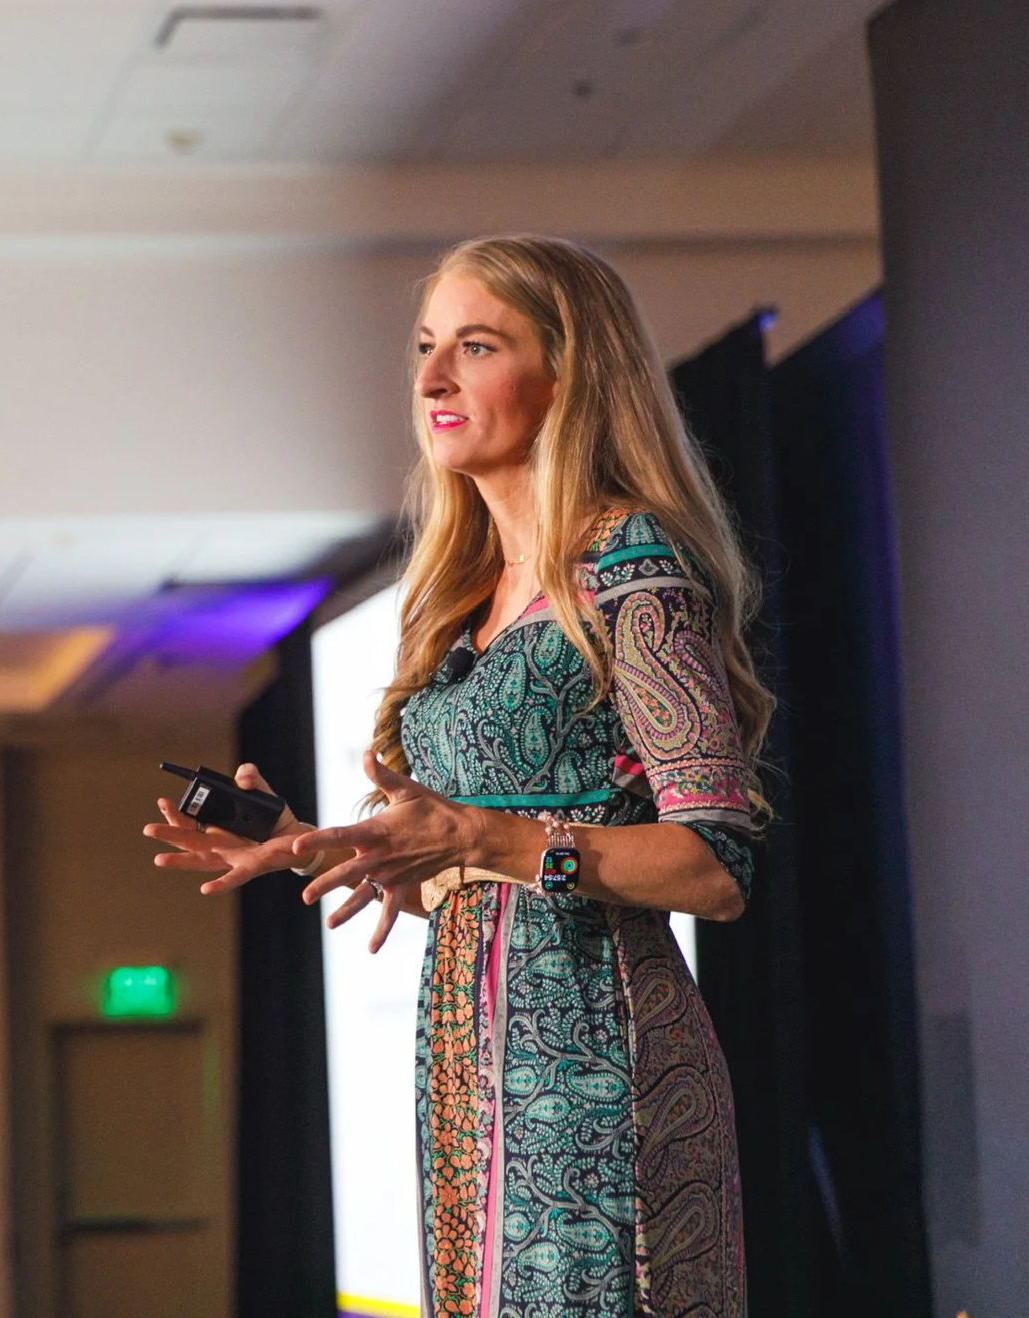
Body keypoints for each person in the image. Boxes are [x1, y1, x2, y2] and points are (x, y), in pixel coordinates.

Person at [144, 235, 771, 1317]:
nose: (432, 377)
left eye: (475, 347)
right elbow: (467, 862)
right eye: (426, 346)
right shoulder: (458, 594)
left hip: (593, 1061)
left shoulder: (633, 568)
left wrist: (484, 837)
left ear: (568, 372)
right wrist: (335, 846)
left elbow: (712, 868)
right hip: (466, 1061)